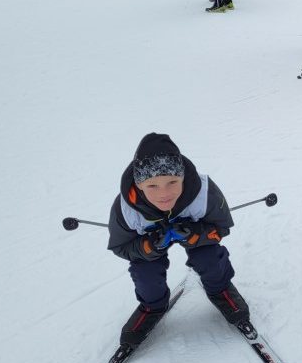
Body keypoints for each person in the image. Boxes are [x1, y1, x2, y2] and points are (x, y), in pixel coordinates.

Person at [108, 133, 252, 347]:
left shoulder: (204, 192)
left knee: (209, 257)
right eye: (152, 186)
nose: (164, 193)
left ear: (183, 177)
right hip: (150, 241)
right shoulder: (126, 209)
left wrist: (194, 235)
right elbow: (121, 246)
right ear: (139, 185)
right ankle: (152, 305)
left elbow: (221, 227)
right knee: (145, 273)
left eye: (172, 182)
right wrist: (150, 245)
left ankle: (220, 289)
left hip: (195, 234)